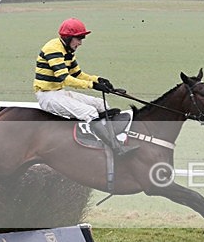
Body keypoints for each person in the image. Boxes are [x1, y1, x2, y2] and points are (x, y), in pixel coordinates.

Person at [33, 18, 138, 156]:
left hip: (58, 92)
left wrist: (98, 80)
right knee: (90, 112)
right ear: (69, 37)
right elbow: (65, 79)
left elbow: (78, 74)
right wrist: (93, 85)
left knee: (101, 104)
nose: (81, 43)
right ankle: (116, 149)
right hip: (48, 96)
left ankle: (110, 138)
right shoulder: (53, 49)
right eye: (79, 38)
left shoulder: (68, 51)